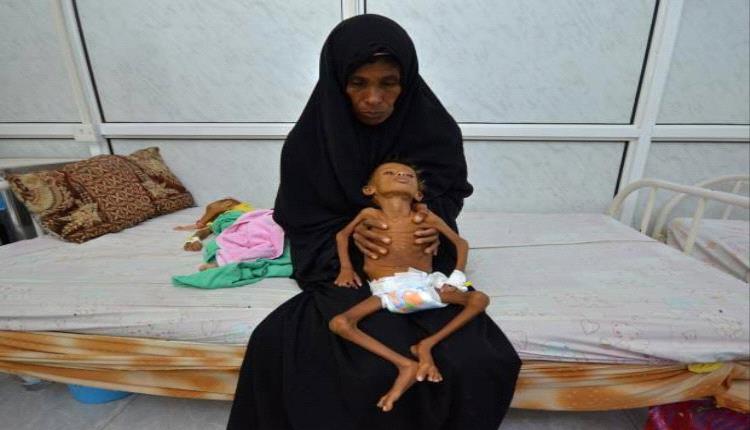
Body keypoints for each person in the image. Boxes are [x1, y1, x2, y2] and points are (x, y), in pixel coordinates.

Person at [227, 14, 521, 430]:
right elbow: (302, 218)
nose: (374, 98)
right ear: (337, 82)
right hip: (339, 262)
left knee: (476, 360)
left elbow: (449, 192)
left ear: (407, 81)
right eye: (358, 83)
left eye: (389, 83)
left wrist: (425, 221)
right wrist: (351, 237)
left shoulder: (433, 130)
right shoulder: (308, 144)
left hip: (418, 261)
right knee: (350, 363)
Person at [330, 161, 491, 413]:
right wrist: (346, 269)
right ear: (370, 190)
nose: (400, 175)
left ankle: (426, 345)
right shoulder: (369, 215)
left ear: (418, 193)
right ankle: (405, 364)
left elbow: (461, 243)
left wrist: (457, 278)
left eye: (408, 175)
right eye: (390, 173)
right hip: (387, 289)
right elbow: (342, 236)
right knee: (340, 323)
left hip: (425, 285)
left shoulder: (426, 216)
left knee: (479, 299)